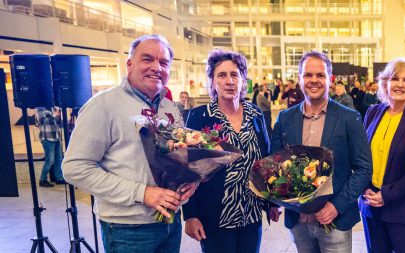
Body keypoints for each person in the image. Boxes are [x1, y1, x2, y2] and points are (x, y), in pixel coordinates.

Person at [62, 34, 198, 253]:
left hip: (169, 222)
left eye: (163, 62)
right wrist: (142, 193)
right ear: (129, 64)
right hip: (127, 228)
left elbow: (180, 157)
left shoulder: (169, 108)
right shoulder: (103, 105)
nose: (156, 67)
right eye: (147, 59)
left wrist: (190, 182)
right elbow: (74, 168)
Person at [270, 51, 373, 253]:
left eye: (320, 75)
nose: (314, 80)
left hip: (336, 220)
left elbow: (364, 169)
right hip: (298, 221)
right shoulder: (285, 118)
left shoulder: (349, 118)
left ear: (330, 79)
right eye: (308, 75)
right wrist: (277, 202)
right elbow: (274, 167)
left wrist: (336, 206)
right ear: (300, 79)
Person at [182, 50, 279, 253]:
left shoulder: (255, 114)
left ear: (243, 80)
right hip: (214, 217)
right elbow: (187, 169)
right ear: (212, 81)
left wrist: (272, 202)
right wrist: (190, 215)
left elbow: (267, 160)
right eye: (222, 75)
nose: (229, 81)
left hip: (251, 215)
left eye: (234, 74)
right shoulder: (199, 117)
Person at [360, 57, 405, 253]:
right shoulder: (373, 112)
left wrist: (387, 195)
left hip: (404, 210)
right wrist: (365, 188)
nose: (399, 84)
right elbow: (361, 156)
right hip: (371, 205)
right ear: (385, 83)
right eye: (394, 78)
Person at [34, 107, 65, 187]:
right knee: (50, 160)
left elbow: (56, 122)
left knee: (59, 159)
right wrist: (53, 115)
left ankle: (59, 178)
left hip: (56, 137)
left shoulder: (52, 108)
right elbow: (42, 122)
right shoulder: (40, 109)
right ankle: (42, 180)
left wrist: (59, 114)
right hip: (47, 138)